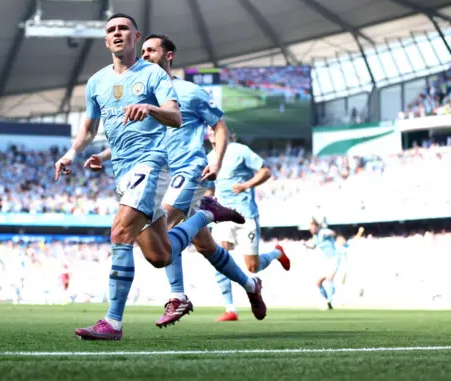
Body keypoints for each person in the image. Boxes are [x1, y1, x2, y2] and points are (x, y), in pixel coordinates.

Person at [54, 14, 248, 341]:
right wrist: (72, 153)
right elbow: (89, 128)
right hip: (124, 171)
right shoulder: (97, 82)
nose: (117, 34)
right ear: (106, 41)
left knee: (119, 232)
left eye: (123, 29)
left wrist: (149, 108)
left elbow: (174, 115)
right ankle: (205, 214)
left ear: (135, 36)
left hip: (152, 164)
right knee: (160, 255)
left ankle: (113, 322)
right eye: (111, 30)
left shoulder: (155, 75)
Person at [85, 34, 268, 327]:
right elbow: (133, 138)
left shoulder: (190, 92)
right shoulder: (142, 91)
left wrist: (216, 161)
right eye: (142, 50)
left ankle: (178, 295)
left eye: (151, 50)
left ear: (169, 55)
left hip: (185, 169)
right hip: (154, 172)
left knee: (166, 224)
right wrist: (104, 157)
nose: (144, 54)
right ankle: (249, 284)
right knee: (205, 246)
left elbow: (219, 127)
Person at [207, 130, 290, 322]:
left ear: (225, 133)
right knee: (218, 256)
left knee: (253, 267)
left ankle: (277, 253)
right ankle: (230, 309)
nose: (212, 131)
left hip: (245, 215)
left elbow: (265, 171)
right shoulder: (209, 158)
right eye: (210, 129)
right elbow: (210, 188)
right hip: (222, 214)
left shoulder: (240, 150)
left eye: (215, 129)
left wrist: (245, 185)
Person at [303, 218, 338, 310]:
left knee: (330, 279)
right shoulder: (315, 237)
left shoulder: (323, 232)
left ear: (317, 227)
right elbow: (313, 246)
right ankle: (327, 301)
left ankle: (330, 301)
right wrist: (306, 245)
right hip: (325, 261)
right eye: (310, 228)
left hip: (333, 258)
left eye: (313, 228)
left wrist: (328, 232)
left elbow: (332, 233)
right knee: (318, 283)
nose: (311, 230)